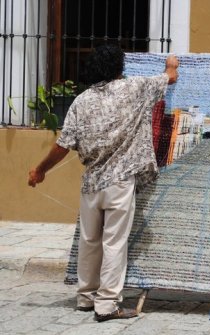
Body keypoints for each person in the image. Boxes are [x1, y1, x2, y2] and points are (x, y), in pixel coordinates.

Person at [28, 44, 179, 322]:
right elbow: (169, 78)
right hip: (120, 183)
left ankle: (86, 297)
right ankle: (107, 304)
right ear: (119, 67)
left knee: (89, 241)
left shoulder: (81, 101)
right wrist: (171, 63)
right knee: (114, 243)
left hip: (91, 184)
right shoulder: (135, 88)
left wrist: (40, 170)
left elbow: (63, 145)